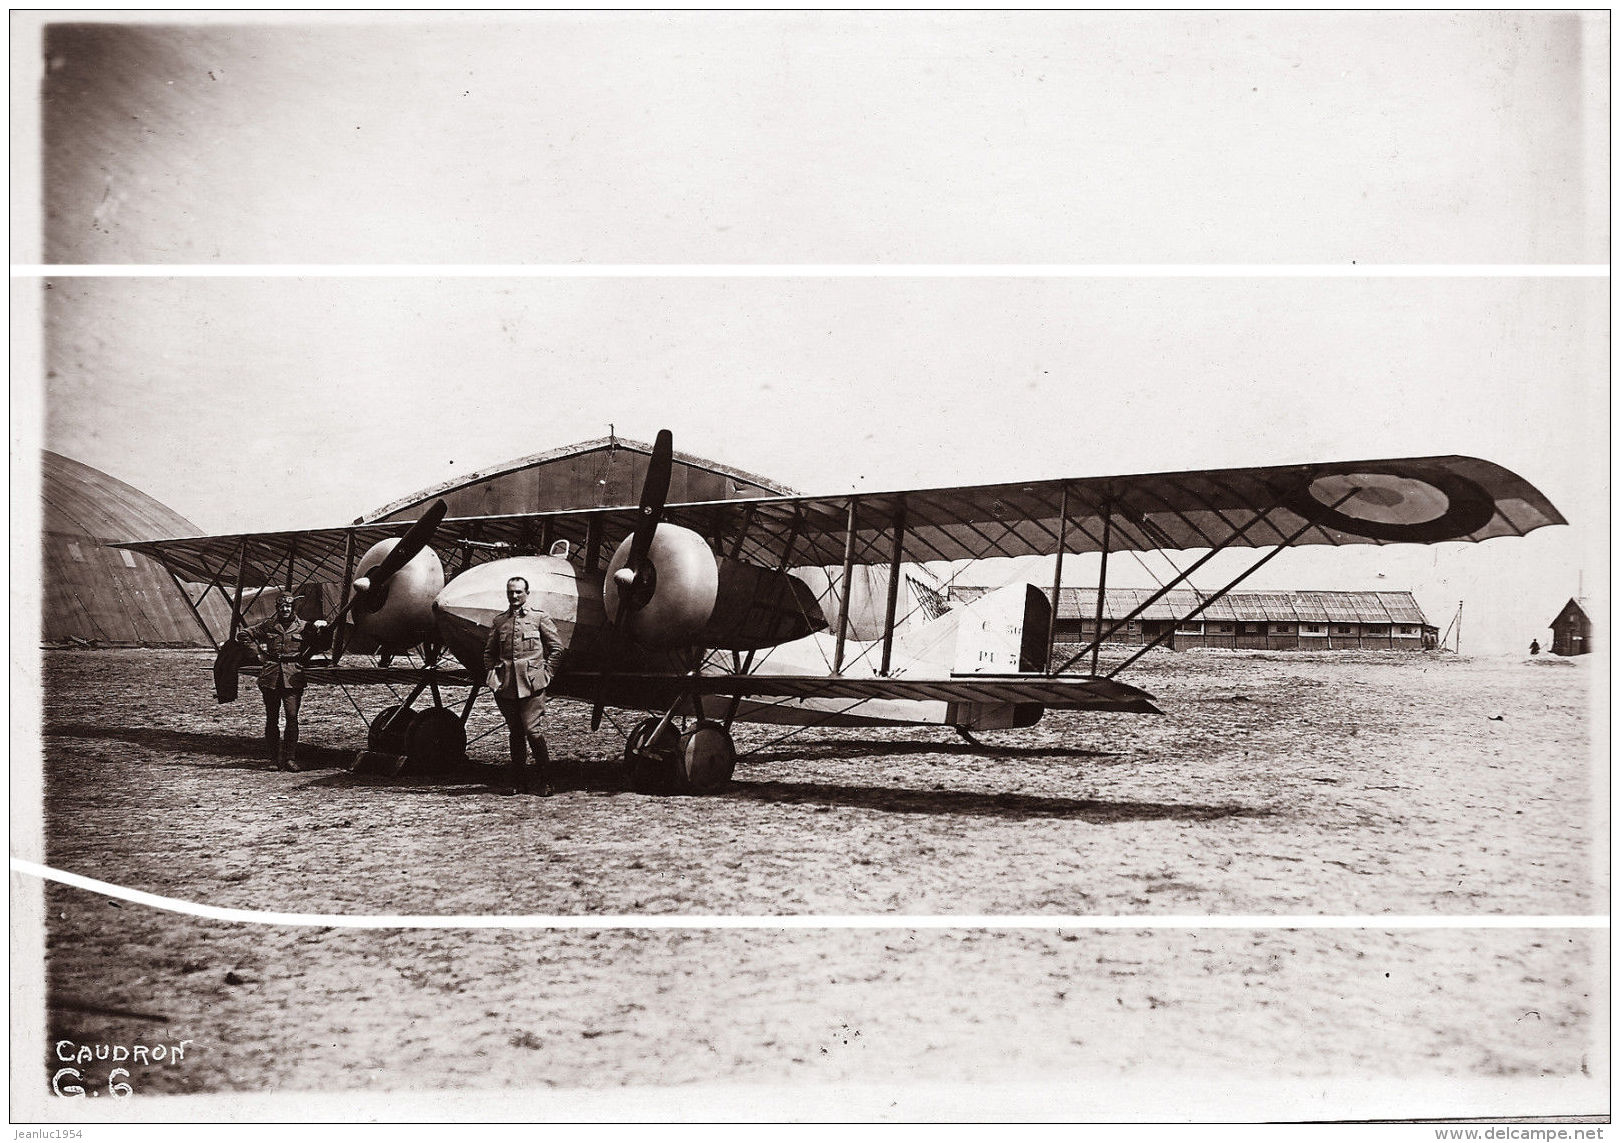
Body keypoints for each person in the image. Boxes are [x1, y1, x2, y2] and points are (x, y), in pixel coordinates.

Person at [483, 576, 563, 795]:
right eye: (510, 592)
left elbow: (557, 648)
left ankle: (546, 781)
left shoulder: (539, 618)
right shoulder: (500, 622)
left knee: (532, 730)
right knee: (515, 732)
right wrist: (492, 675)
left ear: (527, 593)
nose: (514, 596)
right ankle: (519, 782)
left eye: (518, 592)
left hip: (532, 685)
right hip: (507, 686)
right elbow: (489, 652)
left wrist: (546, 674)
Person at [239, 593, 323, 771]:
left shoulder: (304, 627)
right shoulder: (269, 625)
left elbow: (321, 644)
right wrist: (257, 654)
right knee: (272, 718)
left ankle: (290, 758)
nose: (285, 610)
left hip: (293, 676)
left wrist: (320, 631)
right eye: (282, 607)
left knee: (292, 717)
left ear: (293, 608)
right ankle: (273, 758)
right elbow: (244, 634)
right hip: (271, 676)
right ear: (277, 608)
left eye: (288, 607)